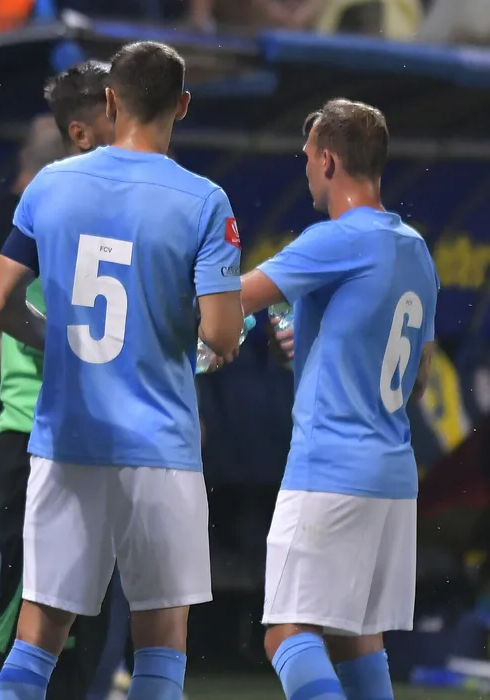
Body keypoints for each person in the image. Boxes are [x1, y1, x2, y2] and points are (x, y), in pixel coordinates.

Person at [0, 41, 245, 700]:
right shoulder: (204, 200)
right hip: (159, 445)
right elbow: (220, 333)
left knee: (38, 632)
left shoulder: (51, 184)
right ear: (182, 105)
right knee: (159, 638)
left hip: (67, 440)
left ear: (110, 99)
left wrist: (58, 342)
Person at [232, 98, 439, 700]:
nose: (304, 170)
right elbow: (417, 377)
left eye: (306, 157)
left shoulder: (333, 239)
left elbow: (231, 301)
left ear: (328, 160)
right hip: (392, 475)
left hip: (330, 468)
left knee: (286, 634)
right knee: (356, 639)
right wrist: (324, 345)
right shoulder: (415, 248)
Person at [0, 60, 122, 700]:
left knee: (85, 620)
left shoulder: (114, 201)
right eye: (117, 114)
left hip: (98, 436)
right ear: (83, 131)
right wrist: (73, 346)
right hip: (34, 434)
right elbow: (2, 305)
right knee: (27, 614)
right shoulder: (52, 201)